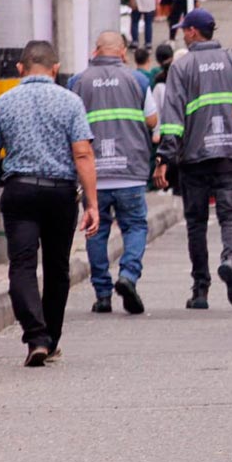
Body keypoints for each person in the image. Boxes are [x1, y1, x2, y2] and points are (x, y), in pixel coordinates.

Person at [0, 40, 99, 366]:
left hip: (19, 193)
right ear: (55, 68)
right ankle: (51, 338)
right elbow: (83, 153)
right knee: (58, 268)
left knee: (22, 265)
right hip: (60, 194)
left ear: (20, 68)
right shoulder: (70, 102)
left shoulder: (3, 103)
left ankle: (36, 335)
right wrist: (92, 204)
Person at [154, 8, 232, 311]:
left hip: (194, 157)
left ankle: (200, 290)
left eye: (185, 29)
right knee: (230, 216)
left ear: (194, 32)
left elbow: (171, 117)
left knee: (196, 223)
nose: (183, 33)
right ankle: (230, 259)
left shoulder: (182, 67)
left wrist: (165, 157)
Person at [70, 31, 157, 315]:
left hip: (92, 172)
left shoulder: (77, 82)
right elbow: (153, 120)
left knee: (96, 231)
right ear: (122, 52)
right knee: (134, 226)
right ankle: (128, 276)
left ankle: (103, 295)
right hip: (130, 170)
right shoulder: (138, 79)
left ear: (96, 51)